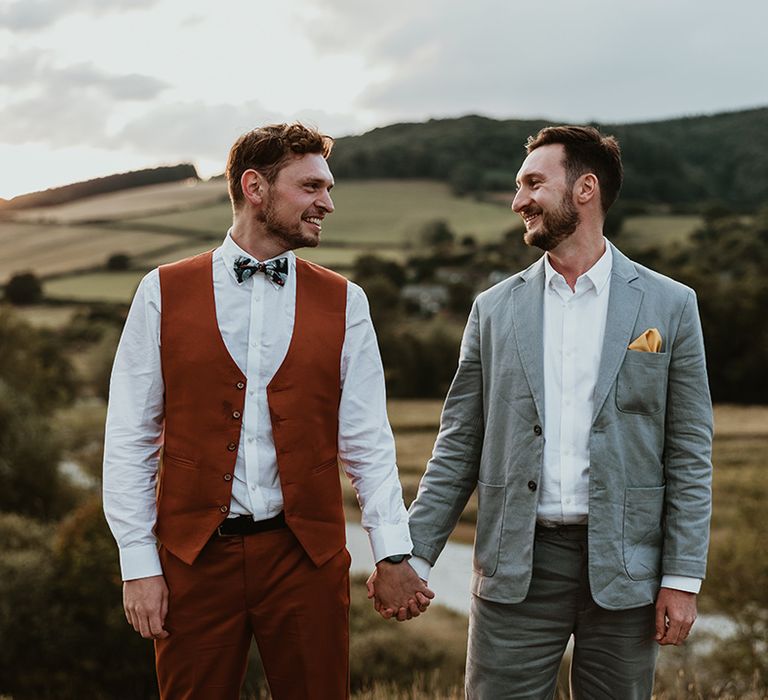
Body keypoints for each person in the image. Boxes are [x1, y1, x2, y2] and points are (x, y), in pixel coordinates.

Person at [370, 125, 713, 698]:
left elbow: (689, 450)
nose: (518, 200)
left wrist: (682, 578)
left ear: (585, 189)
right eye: (517, 185)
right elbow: (459, 442)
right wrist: (413, 555)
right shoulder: (493, 310)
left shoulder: (671, 305)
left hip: (628, 568)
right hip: (515, 567)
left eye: (533, 182)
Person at [103, 122, 432, 700]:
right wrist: (138, 563)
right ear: (255, 187)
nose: (327, 203)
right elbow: (129, 439)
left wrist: (392, 552)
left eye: (327, 188)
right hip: (192, 561)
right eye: (310, 187)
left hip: (305, 559)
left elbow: (368, 442)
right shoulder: (160, 292)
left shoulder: (346, 302)